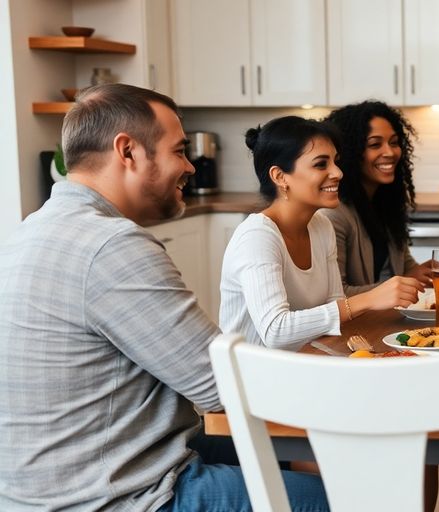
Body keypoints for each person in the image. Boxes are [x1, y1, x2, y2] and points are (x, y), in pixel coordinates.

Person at [0, 84, 328, 510]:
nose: (190, 166)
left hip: (52, 483)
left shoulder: (26, 233)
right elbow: (219, 384)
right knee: (331, 496)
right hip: (115, 494)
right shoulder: (112, 246)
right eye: (179, 150)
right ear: (128, 151)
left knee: (296, 455)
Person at [220, 116, 424, 351]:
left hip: (306, 362)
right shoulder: (257, 237)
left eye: (336, 161)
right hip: (256, 377)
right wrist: (368, 299)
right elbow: (275, 331)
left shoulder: (320, 226)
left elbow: (335, 306)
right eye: (321, 164)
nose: (337, 172)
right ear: (279, 176)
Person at [322, 101, 434, 296]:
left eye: (394, 142)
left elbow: (405, 268)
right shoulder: (333, 214)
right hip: (357, 325)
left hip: (386, 319)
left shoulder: (385, 201)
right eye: (375, 144)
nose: (390, 152)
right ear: (350, 152)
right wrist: (404, 282)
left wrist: (422, 273)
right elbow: (337, 295)